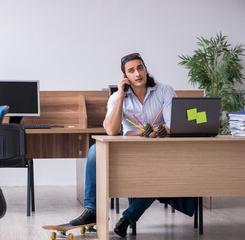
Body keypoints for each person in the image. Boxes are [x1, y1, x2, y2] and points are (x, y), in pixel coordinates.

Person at [69, 53, 194, 237]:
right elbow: (111, 131)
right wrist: (120, 97)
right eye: (131, 70)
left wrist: (148, 131)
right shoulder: (116, 98)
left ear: (145, 69)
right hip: (129, 154)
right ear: (125, 77)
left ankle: (127, 219)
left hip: (160, 153)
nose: (137, 73)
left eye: (140, 67)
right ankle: (91, 210)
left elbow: (172, 123)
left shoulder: (164, 91)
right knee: (95, 151)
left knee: (162, 175)